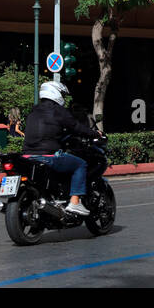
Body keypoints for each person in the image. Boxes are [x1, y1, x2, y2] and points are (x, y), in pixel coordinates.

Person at [21, 82, 101, 217]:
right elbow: (76, 127)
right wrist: (94, 133)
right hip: (48, 156)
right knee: (80, 164)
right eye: (62, 94)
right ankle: (75, 202)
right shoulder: (58, 111)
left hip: (27, 156)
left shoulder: (34, 111)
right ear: (56, 93)